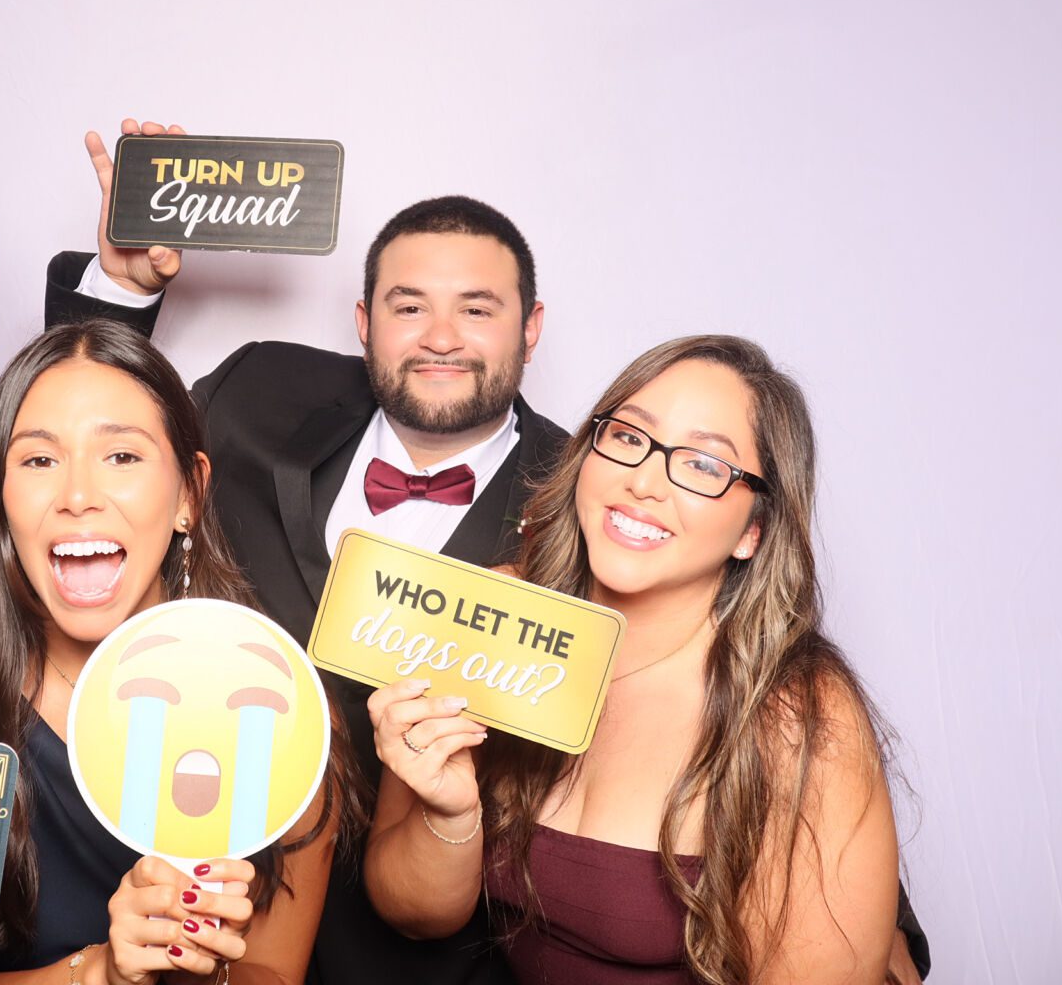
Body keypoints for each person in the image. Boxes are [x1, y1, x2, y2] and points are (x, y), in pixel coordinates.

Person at [45, 120, 569, 985]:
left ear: (531, 326)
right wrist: (121, 286)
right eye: (409, 306)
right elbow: (102, 441)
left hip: (420, 958)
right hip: (205, 918)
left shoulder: (581, 508)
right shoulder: (261, 388)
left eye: (476, 309)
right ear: (363, 321)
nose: (440, 336)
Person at [365, 335, 904, 984]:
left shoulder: (797, 716)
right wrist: (448, 810)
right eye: (627, 437)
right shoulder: (495, 615)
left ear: (753, 531)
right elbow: (414, 914)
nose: (644, 482)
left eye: (705, 464)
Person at [0, 320, 348, 984]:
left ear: (189, 496)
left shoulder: (282, 700)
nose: (78, 497)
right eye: (39, 461)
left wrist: (198, 967)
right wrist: (99, 975)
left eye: (123, 457)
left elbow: (273, 973)